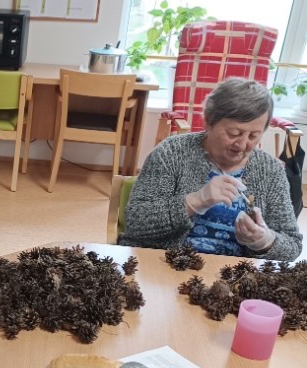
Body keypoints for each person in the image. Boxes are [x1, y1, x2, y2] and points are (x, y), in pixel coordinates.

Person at [121, 78, 302, 261]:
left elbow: (293, 246)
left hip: (233, 276)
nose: (242, 144)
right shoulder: (172, 153)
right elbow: (136, 223)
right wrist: (194, 201)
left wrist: (264, 241)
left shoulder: (270, 171)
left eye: (254, 136)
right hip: (164, 265)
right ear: (208, 122)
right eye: (234, 133)